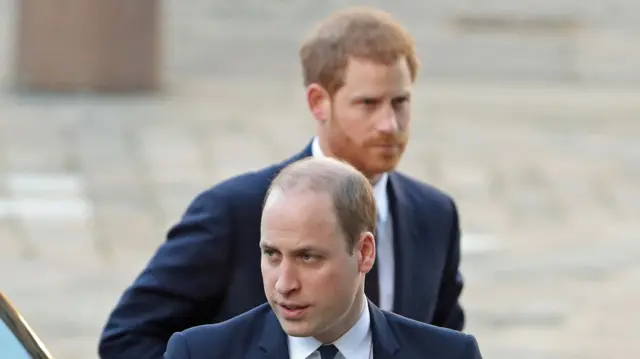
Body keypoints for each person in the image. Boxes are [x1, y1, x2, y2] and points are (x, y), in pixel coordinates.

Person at [99, 6, 466, 359]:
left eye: (400, 102)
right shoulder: (237, 210)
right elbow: (128, 337)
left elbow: (437, 339)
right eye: (368, 104)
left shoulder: (434, 215)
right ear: (319, 102)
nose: (389, 124)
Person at [164, 157, 482, 359]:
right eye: (272, 255)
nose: (284, 284)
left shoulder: (450, 354)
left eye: (308, 257)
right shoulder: (198, 353)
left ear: (364, 253)